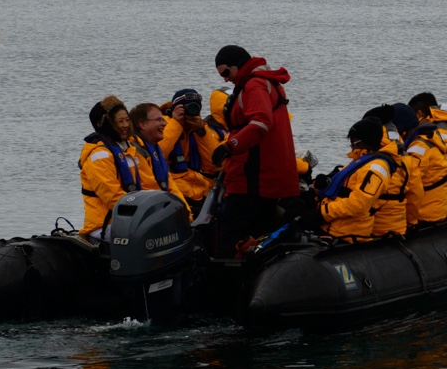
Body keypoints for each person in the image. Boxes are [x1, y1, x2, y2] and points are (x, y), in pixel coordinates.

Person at [211, 45, 301, 253]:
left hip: (253, 178)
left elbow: (260, 122)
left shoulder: (254, 86)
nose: (225, 79)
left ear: (239, 65)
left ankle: (226, 280)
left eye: (226, 72)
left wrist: (229, 146)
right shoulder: (268, 82)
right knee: (263, 232)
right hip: (270, 176)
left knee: (230, 235)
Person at [317, 118, 408, 241]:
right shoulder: (360, 162)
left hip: (348, 234)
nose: (352, 148)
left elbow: (359, 204)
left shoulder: (376, 168)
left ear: (365, 142)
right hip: (335, 226)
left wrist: (322, 213)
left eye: (354, 143)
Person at [79, 95, 149, 236]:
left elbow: (148, 184)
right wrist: (144, 215)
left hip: (129, 220)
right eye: (120, 121)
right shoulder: (98, 156)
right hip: (105, 225)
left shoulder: (127, 150)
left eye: (127, 120)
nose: (126, 125)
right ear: (107, 124)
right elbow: (113, 197)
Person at [160, 88, 223, 213]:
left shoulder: (200, 129)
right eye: (188, 109)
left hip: (198, 188)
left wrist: (201, 132)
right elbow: (159, 155)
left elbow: (214, 163)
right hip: (175, 191)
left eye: (196, 109)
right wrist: (176, 124)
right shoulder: (164, 126)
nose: (192, 113)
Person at [392, 103, 447, 228]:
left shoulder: (419, 148)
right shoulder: (427, 138)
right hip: (433, 211)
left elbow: (410, 184)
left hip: (425, 215)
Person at [129, 100, 173, 194]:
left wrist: (184, 206)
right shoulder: (135, 151)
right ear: (143, 125)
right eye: (158, 120)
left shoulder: (155, 147)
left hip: (163, 200)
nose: (164, 124)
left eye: (163, 119)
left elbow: (172, 187)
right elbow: (148, 188)